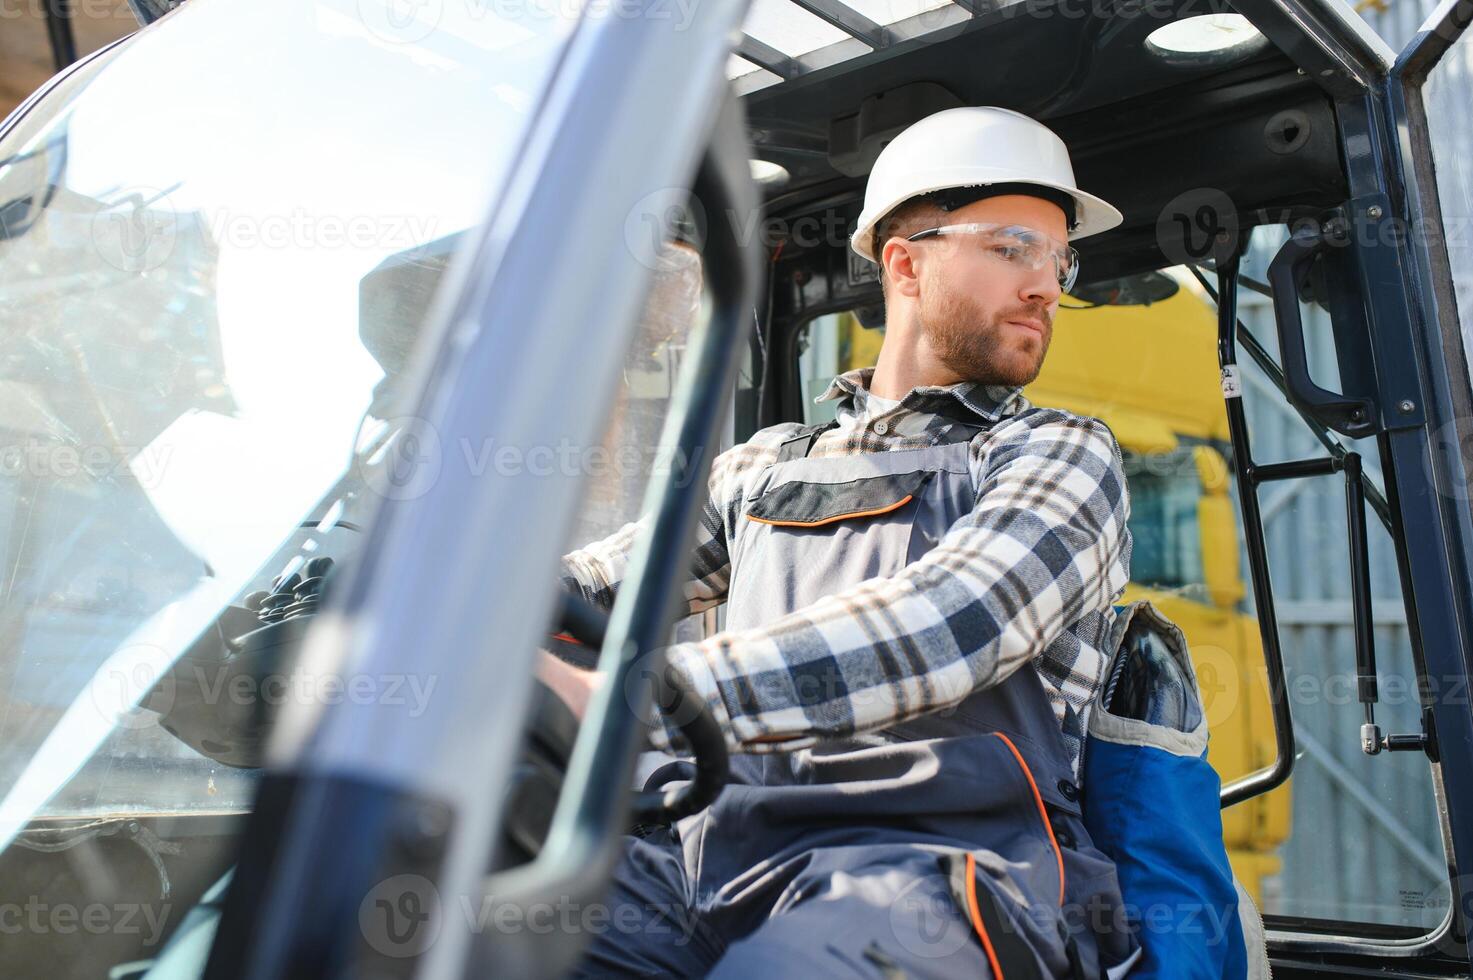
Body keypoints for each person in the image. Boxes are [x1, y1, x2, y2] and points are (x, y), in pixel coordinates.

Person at [540, 105, 1139, 978]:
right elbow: (598, 583)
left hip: (943, 878)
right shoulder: (762, 468)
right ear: (904, 262)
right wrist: (437, 613)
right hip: (709, 863)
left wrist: (622, 700)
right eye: (1014, 247)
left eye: (1058, 257)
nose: (1047, 285)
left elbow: (951, 625)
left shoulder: (1054, 453)